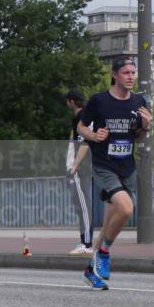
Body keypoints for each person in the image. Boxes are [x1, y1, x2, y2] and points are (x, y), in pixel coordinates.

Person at [76, 56, 153, 290]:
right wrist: (93, 136)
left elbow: (137, 137)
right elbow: (80, 126)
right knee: (127, 209)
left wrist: (146, 127)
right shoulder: (99, 100)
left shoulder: (139, 102)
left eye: (133, 73)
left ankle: (92, 269)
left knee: (111, 219)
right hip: (104, 165)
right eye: (126, 73)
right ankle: (105, 252)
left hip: (127, 167)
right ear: (115, 75)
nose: (131, 77)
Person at [64, 88, 93, 256]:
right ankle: (84, 240)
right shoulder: (81, 117)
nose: (66, 103)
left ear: (72, 102)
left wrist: (74, 166)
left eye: (67, 101)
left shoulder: (82, 118)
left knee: (84, 206)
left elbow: (85, 143)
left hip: (81, 169)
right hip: (77, 168)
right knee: (80, 206)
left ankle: (87, 244)